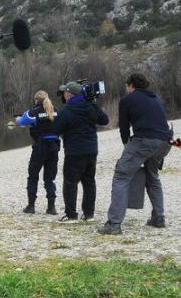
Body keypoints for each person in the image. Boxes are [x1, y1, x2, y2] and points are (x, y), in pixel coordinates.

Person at [99, 73, 173, 235]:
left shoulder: (127, 100)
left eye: (127, 86)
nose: (126, 89)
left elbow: (124, 128)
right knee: (152, 176)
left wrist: (127, 145)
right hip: (165, 141)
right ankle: (158, 218)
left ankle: (114, 224)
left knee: (121, 175)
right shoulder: (156, 99)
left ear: (131, 85)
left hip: (144, 140)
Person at [51, 81, 109, 223]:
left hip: (74, 151)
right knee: (89, 181)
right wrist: (94, 105)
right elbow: (105, 120)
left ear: (69, 94)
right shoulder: (90, 106)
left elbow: (55, 129)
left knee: (70, 183)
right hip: (91, 150)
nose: (64, 95)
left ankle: (71, 215)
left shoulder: (67, 110)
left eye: (65, 92)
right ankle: (89, 214)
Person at [15, 90, 60, 215]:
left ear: (36, 100)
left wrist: (19, 117)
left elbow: (20, 122)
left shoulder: (34, 112)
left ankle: (31, 206)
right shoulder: (56, 110)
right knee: (50, 178)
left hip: (40, 147)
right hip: (54, 147)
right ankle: (51, 208)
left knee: (33, 176)